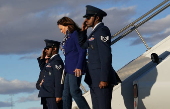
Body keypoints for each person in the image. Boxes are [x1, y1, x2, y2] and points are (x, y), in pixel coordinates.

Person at [78, 5, 122, 109]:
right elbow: (83, 45)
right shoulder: (94, 32)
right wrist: (83, 31)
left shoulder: (102, 30)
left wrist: (104, 78)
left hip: (101, 79)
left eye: (88, 17)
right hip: (93, 79)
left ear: (97, 18)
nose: (86, 20)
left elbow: (106, 56)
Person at [57, 17, 90, 109]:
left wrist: (79, 66)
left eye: (61, 29)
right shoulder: (67, 37)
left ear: (67, 25)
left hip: (76, 67)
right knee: (66, 94)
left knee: (74, 91)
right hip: (68, 68)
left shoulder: (75, 34)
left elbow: (82, 50)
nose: (61, 31)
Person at [38, 39, 64, 109]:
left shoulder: (57, 61)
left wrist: (58, 95)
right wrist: (42, 57)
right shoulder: (51, 61)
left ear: (54, 48)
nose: (45, 50)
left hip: (52, 95)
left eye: (47, 48)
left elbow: (59, 79)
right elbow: (43, 69)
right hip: (46, 94)